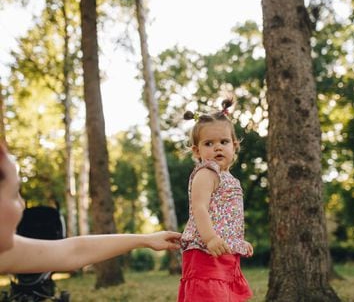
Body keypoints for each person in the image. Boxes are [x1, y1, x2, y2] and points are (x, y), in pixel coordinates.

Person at [0, 143, 181, 274]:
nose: (22, 205)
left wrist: (147, 240)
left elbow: (74, 251)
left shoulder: (6, 254)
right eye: (15, 193)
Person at [178, 97, 253, 302]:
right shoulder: (206, 172)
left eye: (224, 142)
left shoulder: (229, 178)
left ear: (234, 146)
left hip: (223, 251)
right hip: (205, 251)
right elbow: (199, 207)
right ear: (197, 151)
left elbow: (226, 217)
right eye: (209, 143)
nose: (217, 147)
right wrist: (210, 238)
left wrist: (237, 241)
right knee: (209, 295)